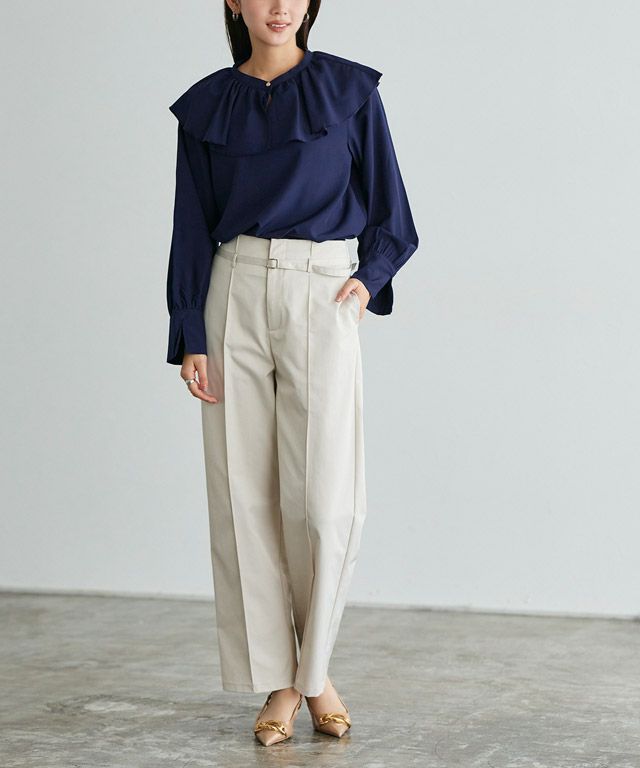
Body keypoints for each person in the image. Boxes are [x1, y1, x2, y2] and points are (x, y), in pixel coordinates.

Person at [165, 0, 419, 747]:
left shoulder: (350, 91)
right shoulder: (207, 105)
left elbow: (394, 214)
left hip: (323, 291)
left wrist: (367, 279)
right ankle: (282, 679)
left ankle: (315, 671)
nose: (279, 6)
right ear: (233, 3)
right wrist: (190, 331)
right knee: (243, 495)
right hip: (233, 292)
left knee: (325, 502)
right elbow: (189, 225)